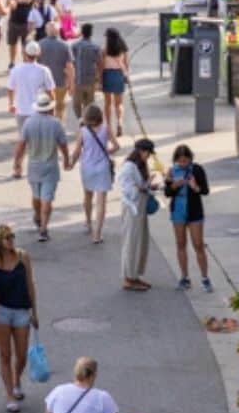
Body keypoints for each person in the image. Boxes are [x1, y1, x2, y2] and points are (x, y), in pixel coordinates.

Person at [0, 224, 39, 413]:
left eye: (12, 236)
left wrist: (35, 312)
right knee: (4, 354)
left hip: (21, 311)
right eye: (7, 238)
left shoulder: (23, 256)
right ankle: (9, 394)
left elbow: (30, 284)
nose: (11, 241)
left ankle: (17, 380)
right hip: (1, 310)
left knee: (22, 354)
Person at [13, 92, 71, 242]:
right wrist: (66, 159)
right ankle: (44, 228)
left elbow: (21, 145)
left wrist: (17, 163)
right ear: (50, 109)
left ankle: (38, 216)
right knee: (47, 199)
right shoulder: (56, 123)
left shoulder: (28, 123)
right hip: (50, 166)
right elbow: (63, 144)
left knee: (37, 196)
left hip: (33, 166)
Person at [164, 144, 212, 293]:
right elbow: (167, 192)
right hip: (178, 209)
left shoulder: (197, 169)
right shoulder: (172, 171)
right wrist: (174, 186)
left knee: (198, 244)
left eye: (186, 161)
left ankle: (205, 278)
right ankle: (184, 277)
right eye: (180, 161)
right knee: (180, 244)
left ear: (190, 159)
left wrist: (194, 186)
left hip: (194, 210)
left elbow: (205, 190)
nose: (183, 164)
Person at [70, 104, 118, 244]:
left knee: (87, 196)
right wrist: (106, 152)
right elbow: (116, 146)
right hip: (102, 167)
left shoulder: (83, 131)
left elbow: (77, 151)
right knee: (101, 201)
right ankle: (97, 234)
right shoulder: (106, 129)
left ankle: (88, 221)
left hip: (87, 167)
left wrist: (71, 163)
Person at [118, 139, 158, 291]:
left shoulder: (138, 166)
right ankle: (129, 277)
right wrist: (141, 187)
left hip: (139, 208)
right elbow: (125, 187)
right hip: (132, 208)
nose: (148, 157)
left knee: (140, 241)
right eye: (148, 153)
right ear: (142, 151)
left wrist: (148, 186)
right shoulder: (129, 166)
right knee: (132, 242)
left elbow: (139, 186)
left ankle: (134, 275)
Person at [8, 41, 56, 146]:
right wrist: (52, 108)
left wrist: (11, 104)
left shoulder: (16, 70)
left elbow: (11, 89)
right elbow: (50, 91)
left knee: (24, 139)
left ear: (24, 53)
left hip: (21, 110)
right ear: (38, 54)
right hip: (39, 110)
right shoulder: (43, 70)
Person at [38, 22, 75, 123]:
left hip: (43, 85)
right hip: (60, 83)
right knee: (60, 109)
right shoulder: (65, 46)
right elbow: (69, 67)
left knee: (44, 109)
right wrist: (72, 84)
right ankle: (58, 130)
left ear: (46, 31)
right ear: (58, 31)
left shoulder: (39, 45)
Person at [100, 28, 129, 137]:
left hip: (107, 74)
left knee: (107, 103)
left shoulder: (105, 49)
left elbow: (102, 65)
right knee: (119, 103)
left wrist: (99, 79)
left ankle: (108, 126)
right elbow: (126, 63)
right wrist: (126, 75)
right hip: (119, 75)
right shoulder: (123, 48)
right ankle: (120, 122)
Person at [6, 0, 36, 68]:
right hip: (13, 21)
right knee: (12, 44)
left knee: (25, 44)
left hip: (26, 22)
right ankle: (12, 62)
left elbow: (29, 1)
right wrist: (16, 1)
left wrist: (15, 1)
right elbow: (9, 3)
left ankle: (25, 62)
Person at [71, 23, 101, 120]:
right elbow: (99, 64)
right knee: (89, 104)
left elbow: (71, 62)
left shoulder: (74, 46)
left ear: (82, 33)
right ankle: (87, 120)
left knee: (76, 104)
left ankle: (80, 119)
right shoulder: (95, 47)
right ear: (91, 34)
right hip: (90, 80)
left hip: (78, 80)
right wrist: (98, 80)